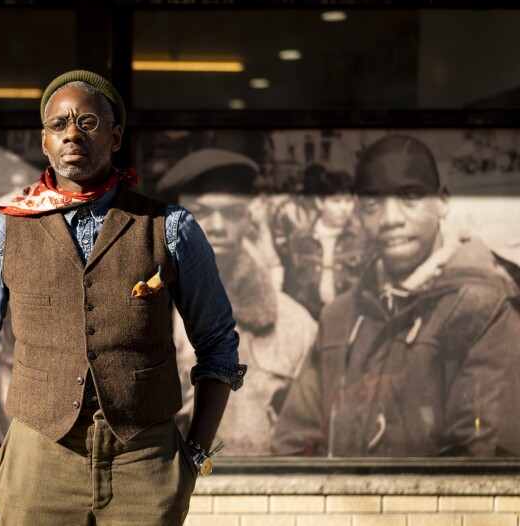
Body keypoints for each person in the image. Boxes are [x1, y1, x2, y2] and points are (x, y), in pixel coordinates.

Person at [0, 70, 245, 524]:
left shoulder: (171, 228)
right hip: (38, 460)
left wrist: (193, 456)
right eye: (58, 125)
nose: (72, 134)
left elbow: (218, 346)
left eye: (88, 122)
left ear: (115, 135)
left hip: (146, 460)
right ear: (44, 143)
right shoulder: (3, 232)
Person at [272, 134, 520, 457]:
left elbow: (479, 464)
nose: (389, 219)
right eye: (372, 204)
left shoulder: (487, 308)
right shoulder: (339, 317)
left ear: (443, 202)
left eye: (410, 196)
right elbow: (292, 446)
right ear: (358, 215)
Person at [159, 149, 317, 456]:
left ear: (248, 218)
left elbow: (308, 435)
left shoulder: (294, 323)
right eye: (202, 212)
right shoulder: (150, 311)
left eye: (232, 213)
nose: (217, 226)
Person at [283, 171, 367, 319]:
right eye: (336, 201)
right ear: (320, 203)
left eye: (348, 201)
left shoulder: (362, 238)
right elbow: (290, 286)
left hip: (348, 317)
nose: (344, 208)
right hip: (308, 317)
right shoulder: (299, 239)